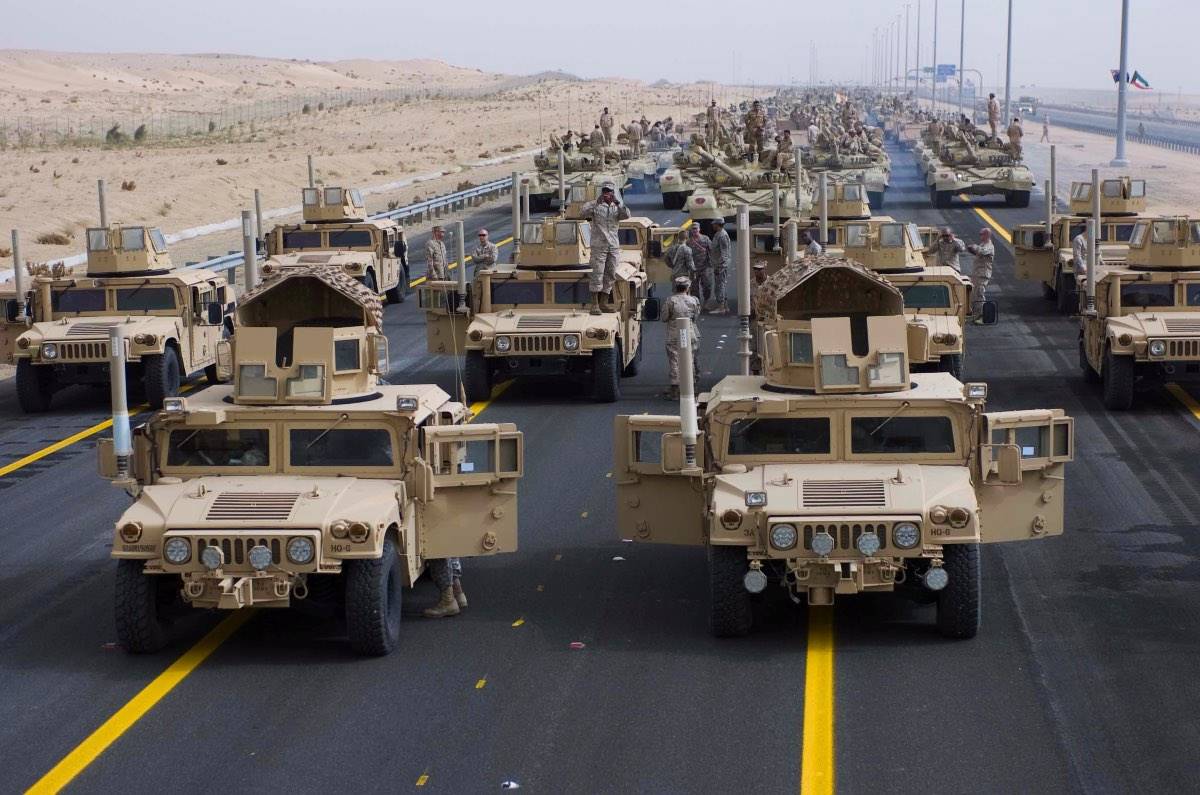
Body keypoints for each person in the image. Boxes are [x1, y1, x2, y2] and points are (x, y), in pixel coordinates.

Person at [579, 182, 630, 315]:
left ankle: (604, 302)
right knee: (597, 273)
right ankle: (595, 304)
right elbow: (582, 213)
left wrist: (618, 203)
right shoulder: (595, 205)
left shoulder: (617, 207)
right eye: (605, 191)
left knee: (611, 273)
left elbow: (627, 215)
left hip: (613, 245)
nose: (607, 193)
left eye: (610, 191)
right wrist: (596, 202)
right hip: (599, 245)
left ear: (613, 192)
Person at [662, 276, 701, 400]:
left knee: (674, 360)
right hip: (689, 332)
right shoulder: (693, 301)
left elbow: (664, 317)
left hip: (673, 333)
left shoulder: (670, 301)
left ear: (675, 287)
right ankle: (691, 388)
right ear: (688, 287)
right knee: (690, 359)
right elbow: (695, 317)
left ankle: (675, 390)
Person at [965, 228, 995, 324]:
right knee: (974, 295)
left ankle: (984, 317)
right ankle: (976, 315)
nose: (980, 236)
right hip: (977, 273)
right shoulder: (982, 244)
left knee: (979, 294)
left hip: (983, 274)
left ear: (987, 235)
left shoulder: (989, 246)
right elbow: (978, 252)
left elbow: (982, 251)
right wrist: (971, 249)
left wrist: (974, 246)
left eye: (982, 234)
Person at [685, 224, 713, 304]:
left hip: (705, 267)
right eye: (693, 229)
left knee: (707, 285)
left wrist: (712, 262)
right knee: (694, 288)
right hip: (694, 269)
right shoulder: (688, 242)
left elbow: (711, 250)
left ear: (699, 229)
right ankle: (697, 303)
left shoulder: (705, 239)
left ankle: (706, 301)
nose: (694, 230)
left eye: (696, 229)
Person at [709, 218, 732, 314]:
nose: (712, 225)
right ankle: (725, 306)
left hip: (721, 266)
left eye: (714, 224)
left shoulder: (722, 235)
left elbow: (724, 253)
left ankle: (721, 307)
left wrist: (720, 266)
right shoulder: (718, 234)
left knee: (719, 286)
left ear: (718, 224)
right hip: (719, 264)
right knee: (721, 285)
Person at [393, 228, 410, 300]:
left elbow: (404, 248)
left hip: (399, 254)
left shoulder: (400, 237)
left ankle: (405, 287)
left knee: (405, 267)